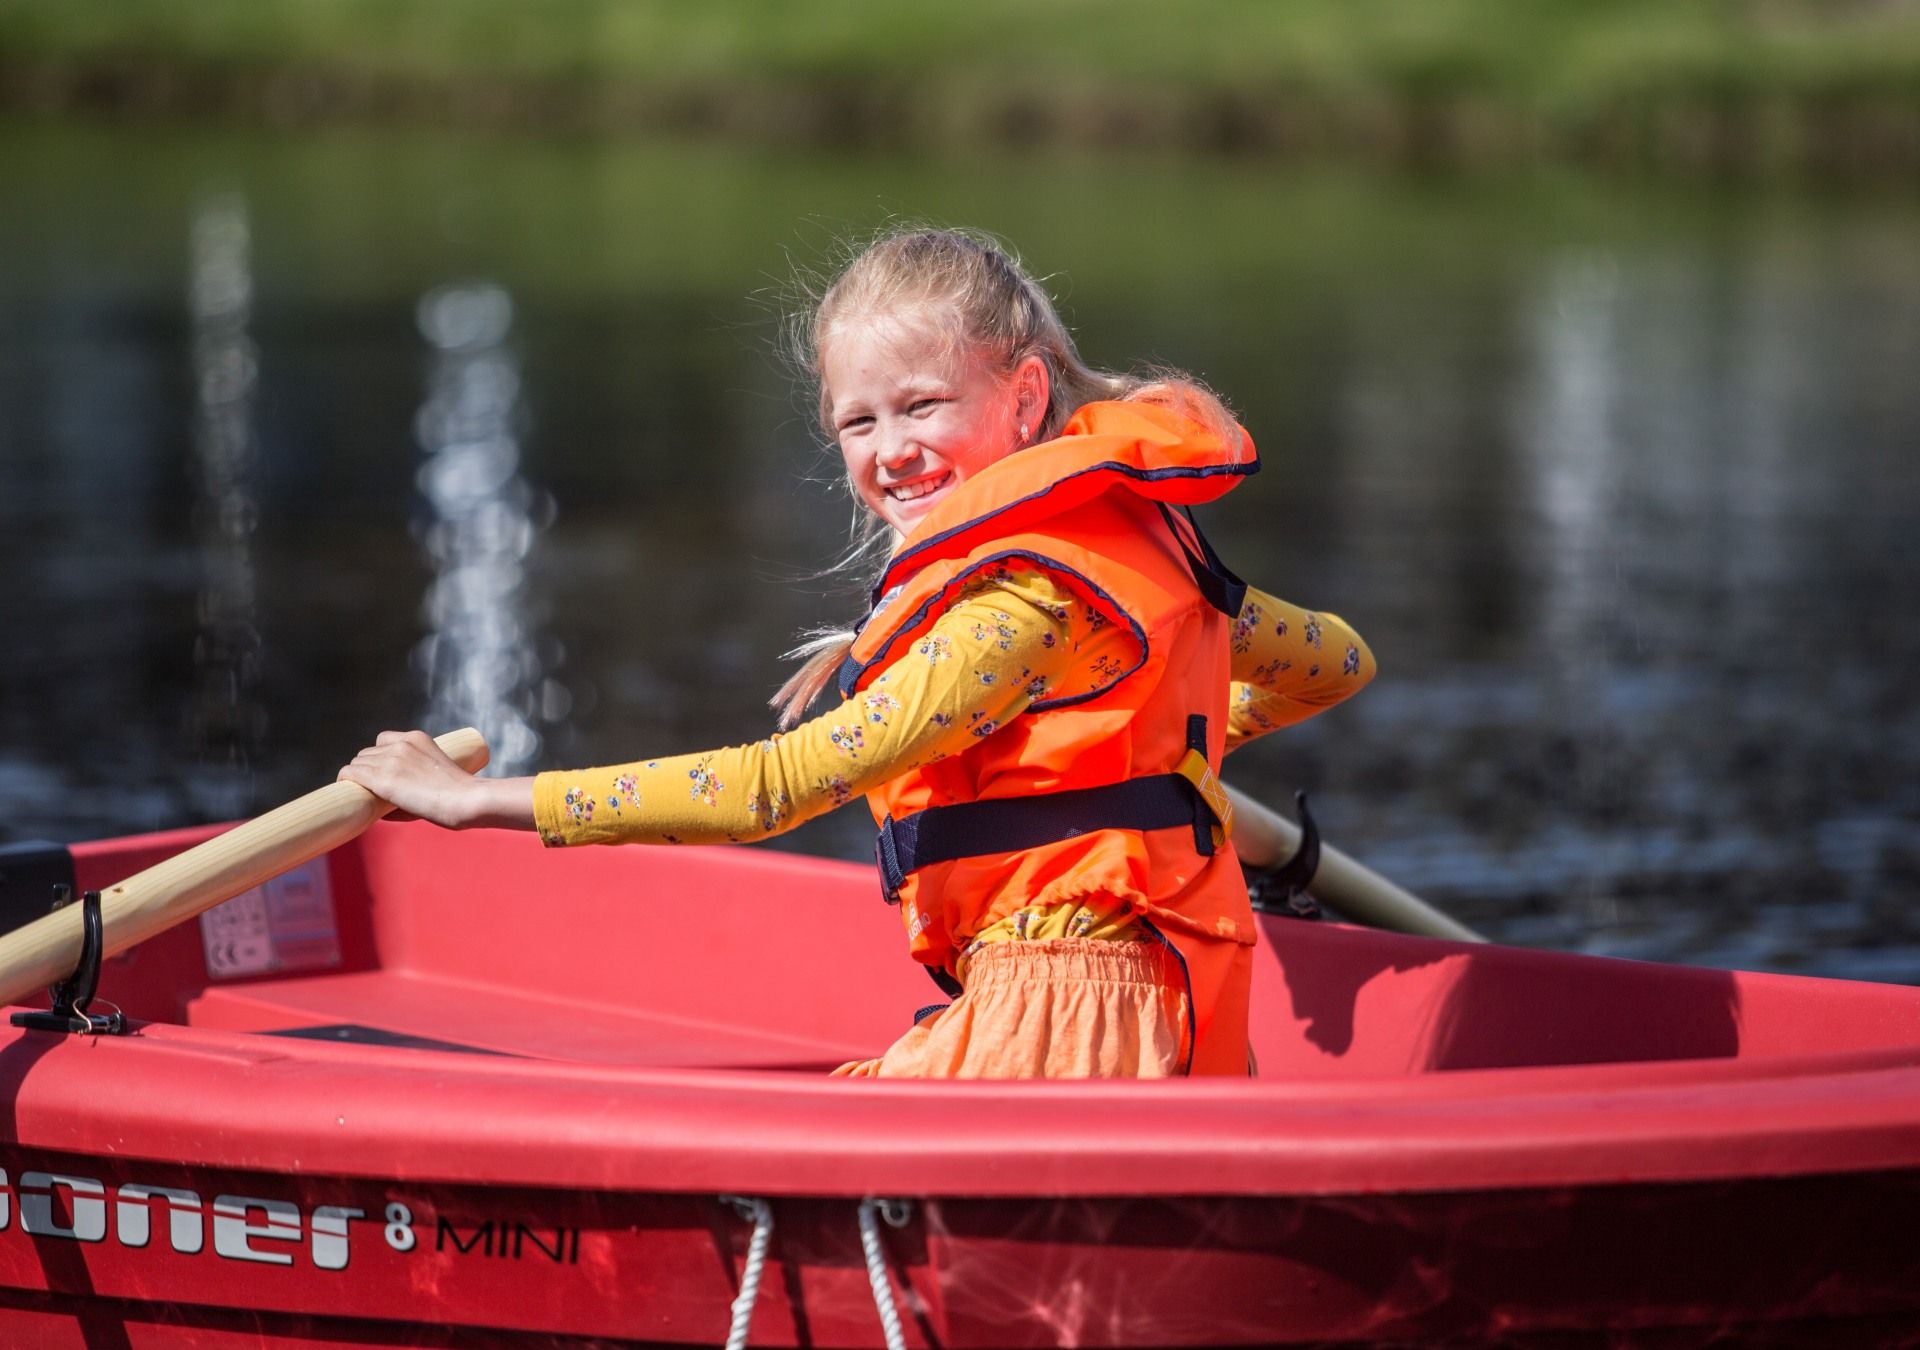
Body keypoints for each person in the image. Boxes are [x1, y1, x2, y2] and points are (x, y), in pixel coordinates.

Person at [340, 228, 1373, 1078]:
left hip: (1062, 1023)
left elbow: (772, 790)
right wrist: (1171, 760)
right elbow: (1334, 665)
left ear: (1021, 398)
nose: (890, 451)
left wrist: (480, 802)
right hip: (1167, 1018)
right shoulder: (1152, 558)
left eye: (923, 405)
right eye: (857, 422)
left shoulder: (1016, 613)